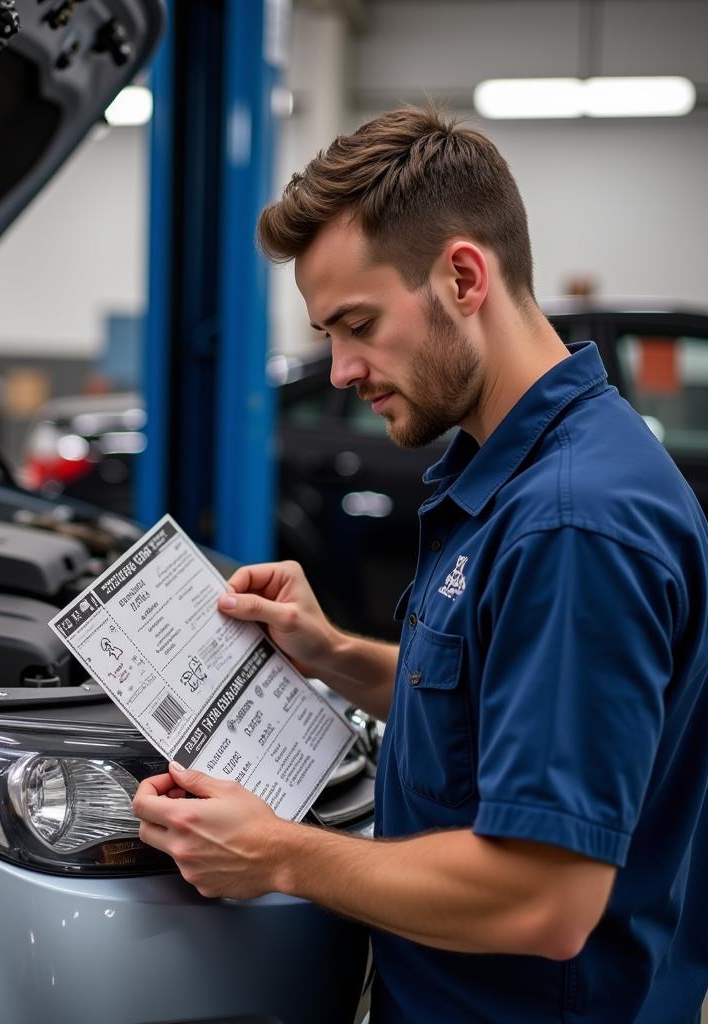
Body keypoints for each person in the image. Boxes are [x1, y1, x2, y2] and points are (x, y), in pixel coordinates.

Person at [131, 106, 708, 1023]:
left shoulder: (574, 524)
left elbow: (543, 899)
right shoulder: (515, 472)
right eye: (328, 333)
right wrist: (333, 655)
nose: (342, 370)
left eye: (356, 324)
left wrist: (279, 853)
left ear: (463, 276)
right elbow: (499, 699)